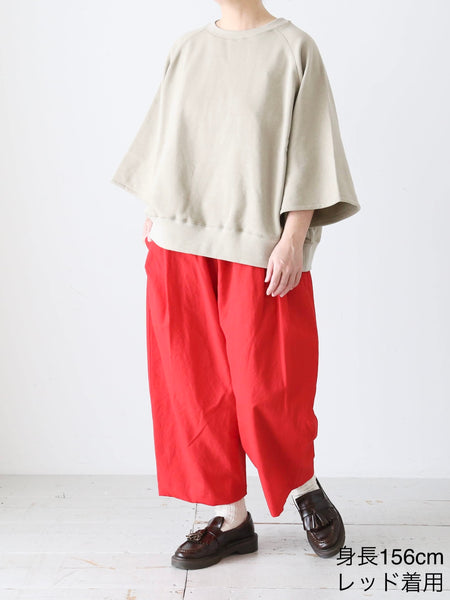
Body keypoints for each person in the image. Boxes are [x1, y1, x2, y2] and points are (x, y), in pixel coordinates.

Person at [111, 0, 361, 570]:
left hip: (259, 245)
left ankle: (303, 486)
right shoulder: (187, 48)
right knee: (192, 387)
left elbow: (311, 152)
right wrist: (154, 214)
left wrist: (294, 237)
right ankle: (229, 517)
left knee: (267, 385)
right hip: (178, 240)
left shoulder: (294, 50)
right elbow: (168, 139)